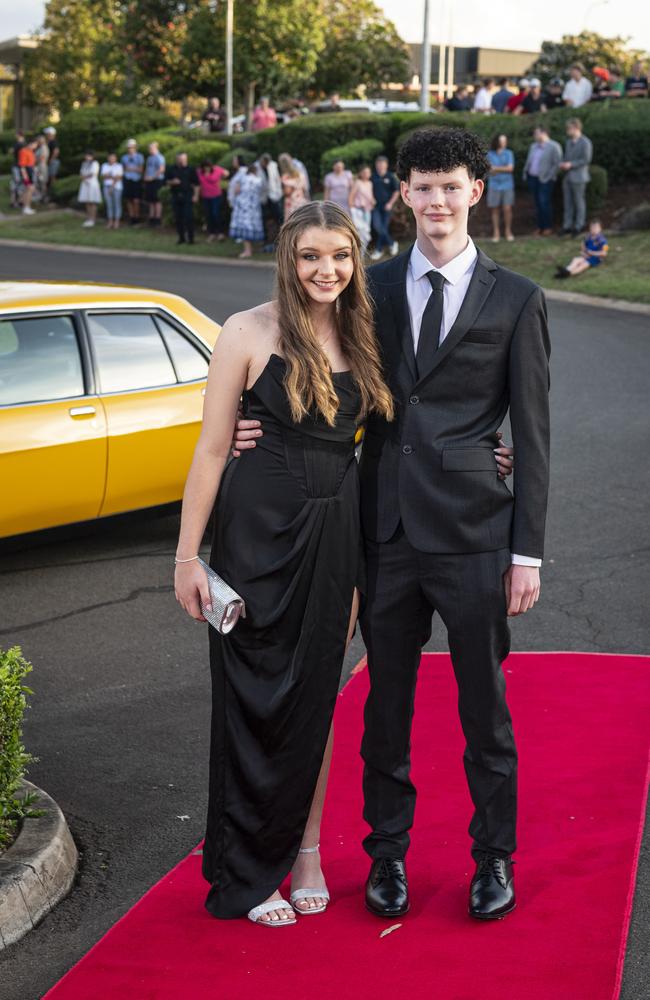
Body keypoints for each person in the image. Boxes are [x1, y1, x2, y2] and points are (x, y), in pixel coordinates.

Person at [233, 126, 547, 924]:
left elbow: (535, 436)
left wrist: (528, 553)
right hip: (382, 531)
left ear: (476, 191)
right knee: (386, 709)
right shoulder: (364, 286)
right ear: (401, 193)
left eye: (451, 186)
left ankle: (494, 859)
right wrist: (246, 421)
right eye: (423, 186)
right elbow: (303, 369)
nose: (437, 200)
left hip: (477, 534)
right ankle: (387, 857)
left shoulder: (518, 299)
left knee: (486, 709)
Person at [174, 201, 395, 926]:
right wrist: (187, 559)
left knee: (315, 696)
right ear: (287, 260)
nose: (325, 270)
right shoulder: (246, 331)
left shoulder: (367, 329)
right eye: (310, 257)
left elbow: (408, 425)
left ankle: (305, 852)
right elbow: (210, 450)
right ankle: (247, 868)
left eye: (339, 255)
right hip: (256, 531)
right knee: (250, 698)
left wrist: (493, 448)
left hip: (338, 533)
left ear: (355, 258)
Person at [522, 125, 562, 236]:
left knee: (544, 203)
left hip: (545, 180)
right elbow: (529, 161)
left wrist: (549, 177)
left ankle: (548, 227)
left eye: (536, 133)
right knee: (537, 203)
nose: (535, 135)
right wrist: (526, 172)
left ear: (544, 133)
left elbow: (557, 164)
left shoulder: (554, 146)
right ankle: (540, 227)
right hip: (533, 178)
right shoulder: (533, 146)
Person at [559, 118, 593, 236]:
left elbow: (586, 160)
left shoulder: (585, 142)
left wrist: (571, 164)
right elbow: (567, 156)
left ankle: (579, 225)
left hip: (579, 176)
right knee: (567, 202)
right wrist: (563, 163)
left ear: (576, 128)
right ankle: (567, 225)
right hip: (568, 176)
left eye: (569, 128)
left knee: (579, 202)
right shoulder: (568, 142)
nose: (568, 131)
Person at [228, 163, 264, 258]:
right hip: (254, 208)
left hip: (243, 207)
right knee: (252, 228)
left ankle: (247, 251)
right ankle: (252, 249)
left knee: (244, 229)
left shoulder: (243, 178)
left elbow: (236, 190)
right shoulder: (258, 180)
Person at [165, 152, 199, 245]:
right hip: (176, 195)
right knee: (178, 218)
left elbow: (196, 184)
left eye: (184, 159)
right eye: (180, 159)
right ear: (177, 159)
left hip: (187, 195)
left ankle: (191, 239)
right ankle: (181, 238)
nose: (182, 161)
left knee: (189, 217)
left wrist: (196, 195)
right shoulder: (171, 169)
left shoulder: (191, 169)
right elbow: (166, 181)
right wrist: (172, 182)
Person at [486, 133, 515, 242]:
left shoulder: (509, 153)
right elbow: (489, 170)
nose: (503, 143)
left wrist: (496, 169)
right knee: (495, 209)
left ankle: (508, 231)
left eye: (505, 141)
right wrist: (503, 168)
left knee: (507, 209)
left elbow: (510, 169)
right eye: (501, 141)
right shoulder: (490, 154)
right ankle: (496, 232)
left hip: (507, 185)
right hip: (494, 185)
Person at [370, 155, 399, 260]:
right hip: (375, 207)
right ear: (376, 165)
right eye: (378, 164)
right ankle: (392, 243)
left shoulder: (390, 176)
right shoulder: (372, 177)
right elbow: (367, 189)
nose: (380, 166)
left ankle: (378, 250)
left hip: (387, 206)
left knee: (383, 228)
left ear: (386, 165)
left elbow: (396, 191)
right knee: (378, 227)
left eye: (382, 164)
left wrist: (390, 203)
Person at [256, 153, 283, 251]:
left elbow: (277, 179)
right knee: (264, 218)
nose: (265, 165)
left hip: (274, 195)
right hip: (263, 197)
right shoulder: (256, 166)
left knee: (278, 216)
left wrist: (279, 193)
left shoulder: (273, 165)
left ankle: (280, 239)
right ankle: (265, 240)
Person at [198, 160, 229, 242]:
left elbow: (226, 173)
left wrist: (222, 178)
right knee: (208, 215)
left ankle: (220, 233)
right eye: (205, 167)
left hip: (216, 196)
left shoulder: (217, 169)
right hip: (205, 196)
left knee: (216, 213)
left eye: (208, 167)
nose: (207, 169)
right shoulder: (200, 172)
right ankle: (211, 233)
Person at [349, 164, 375, 254]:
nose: (366, 174)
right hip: (358, 211)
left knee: (366, 233)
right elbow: (351, 198)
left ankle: (362, 254)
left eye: (368, 172)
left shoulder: (370, 183)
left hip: (367, 212)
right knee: (359, 233)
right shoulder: (357, 183)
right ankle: (357, 254)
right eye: (364, 172)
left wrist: (373, 201)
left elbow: (370, 196)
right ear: (360, 173)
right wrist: (353, 211)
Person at [121, 139, 144, 226]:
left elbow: (141, 170)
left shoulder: (139, 157)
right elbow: (123, 169)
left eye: (132, 147)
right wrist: (133, 168)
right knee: (129, 199)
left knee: (136, 200)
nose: (130, 149)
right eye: (129, 147)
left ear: (135, 148)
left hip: (136, 180)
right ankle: (132, 217)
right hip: (127, 179)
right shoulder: (124, 157)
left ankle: (137, 217)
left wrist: (131, 169)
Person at [279, 153, 308, 221]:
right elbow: (304, 188)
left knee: (292, 222)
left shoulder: (285, 177)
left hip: (291, 202)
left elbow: (287, 192)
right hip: (301, 200)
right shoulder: (300, 174)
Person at [143, 141, 166, 227]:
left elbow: (161, 169)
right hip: (149, 181)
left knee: (157, 200)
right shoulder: (149, 158)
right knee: (151, 200)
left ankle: (157, 219)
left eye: (151, 148)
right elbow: (147, 168)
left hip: (157, 181)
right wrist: (145, 177)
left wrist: (152, 177)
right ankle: (151, 218)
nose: (149, 150)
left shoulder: (159, 157)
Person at [78, 151, 102, 227]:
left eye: (89, 156)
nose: (87, 157)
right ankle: (88, 218)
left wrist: (85, 177)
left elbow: (93, 173)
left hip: (92, 184)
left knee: (92, 201)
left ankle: (93, 219)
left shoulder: (95, 163)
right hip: (85, 184)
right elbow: (81, 173)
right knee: (87, 202)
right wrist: (83, 177)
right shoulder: (84, 164)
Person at [100, 152, 124, 229]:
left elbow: (119, 177)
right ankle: (110, 221)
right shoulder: (105, 165)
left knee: (117, 204)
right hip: (106, 186)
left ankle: (117, 221)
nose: (111, 159)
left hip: (116, 187)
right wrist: (113, 176)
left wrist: (112, 185)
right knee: (109, 204)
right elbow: (104, 176)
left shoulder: (119, 166)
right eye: (110, 157)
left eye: (113, 157)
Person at [17, 138, 36, 215]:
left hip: (30, 171)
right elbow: (22, 166)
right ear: (30, 144)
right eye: (34, 144)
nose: (35, 146)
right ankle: (26, 207)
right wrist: (25, 177)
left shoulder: (30, 151)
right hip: (26, 172)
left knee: (29, 189)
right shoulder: (23, 151)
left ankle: (25, 206)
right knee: (29, 189)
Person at [44, 126, 60, 202]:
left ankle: (54, 193)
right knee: (50, 178)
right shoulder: (49, 141)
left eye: (47, 133)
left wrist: (51, 160)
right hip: (51, 161)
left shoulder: (54, 141)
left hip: (53, 162)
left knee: (52, 177)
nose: (46, 135)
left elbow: (56, 151)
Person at [11, 129, 26, 209]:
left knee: (18, 184)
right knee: (19, 184)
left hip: (19, 166)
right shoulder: (23, 143)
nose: (15, 136)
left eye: (16, 134)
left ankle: (17, 202)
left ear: (19, 135)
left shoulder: (18, 144)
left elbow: (12, 151)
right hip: (20, 166)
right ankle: (18, 201)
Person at [33, 135, 50, 202]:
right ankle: (41, 196)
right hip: (39, 166)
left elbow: (42, 157)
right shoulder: (40, 148)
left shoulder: (44, 147)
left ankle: (44, 197)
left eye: (38, 140)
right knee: (40, 182)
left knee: (43, 182)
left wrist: (33, 161)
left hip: (41, 167)